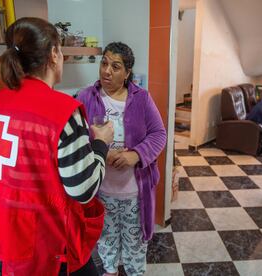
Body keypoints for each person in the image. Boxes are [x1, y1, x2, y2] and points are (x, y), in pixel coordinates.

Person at [0, 17, 114, 276]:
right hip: (50, 245)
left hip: (9, 239)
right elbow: (84, 189)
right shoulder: (62, 112)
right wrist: (101, 144)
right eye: (60, 50)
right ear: (53, 54)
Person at [77, 42, 167, 276]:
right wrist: (100, 151)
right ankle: (110, 272)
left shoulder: (142, 98)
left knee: (135, 244)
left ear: (127, 73)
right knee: (106, 242)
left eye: (115, 67)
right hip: (102, 191)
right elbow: (76, 139)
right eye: (104, 63)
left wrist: (135, 155)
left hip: (135, 192)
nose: (107, 70)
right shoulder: (87, 97)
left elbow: (159, 134)